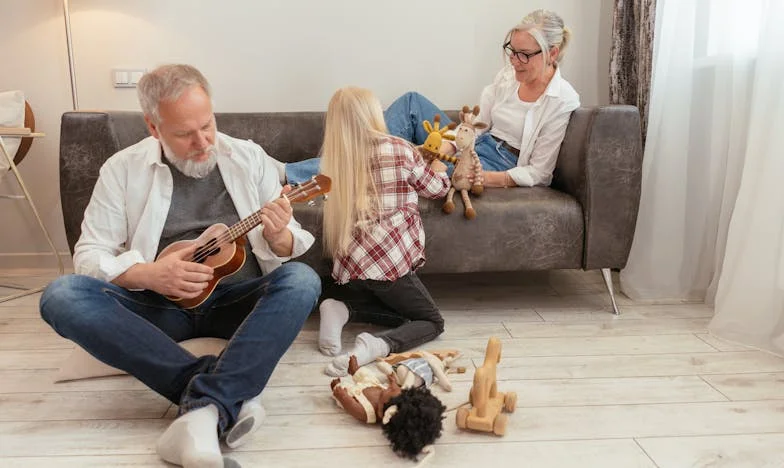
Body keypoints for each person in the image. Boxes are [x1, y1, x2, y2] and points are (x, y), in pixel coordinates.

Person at [39, 64, 321, 468]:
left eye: (207, 125)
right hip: (160, 306)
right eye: (185, 134)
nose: (203, 141)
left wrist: (278, 236)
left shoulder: (248, 157)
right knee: (60, 295)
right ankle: (223, 397)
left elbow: (291, 242)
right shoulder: (122, 169)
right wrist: (147, 273)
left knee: (302, 280)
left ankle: (202, 413)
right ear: (154, 128)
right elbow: (88, 254)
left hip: (234, 304)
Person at [283, 9, 580, 189]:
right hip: (479, 142)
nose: (514, 61)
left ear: (552, 53)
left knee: (397, 163)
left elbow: (540, 173)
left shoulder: (562, 101)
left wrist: (476, 173)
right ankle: (351, 161)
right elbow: (477, 127)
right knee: (412, 103)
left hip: (498, 163)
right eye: (511, 51)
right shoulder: (507, 77)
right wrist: (446, 143)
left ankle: (290, 175)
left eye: (524, 55)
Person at [314, 87, 451, 377]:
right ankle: (375, 345)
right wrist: (438, 166)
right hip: (389, 266)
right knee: (431, 321)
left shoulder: (336, 162)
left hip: (352, 265)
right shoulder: (400, 148)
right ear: (372, 114)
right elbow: (437, 189)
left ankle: (341, 309)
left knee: (401, 313)